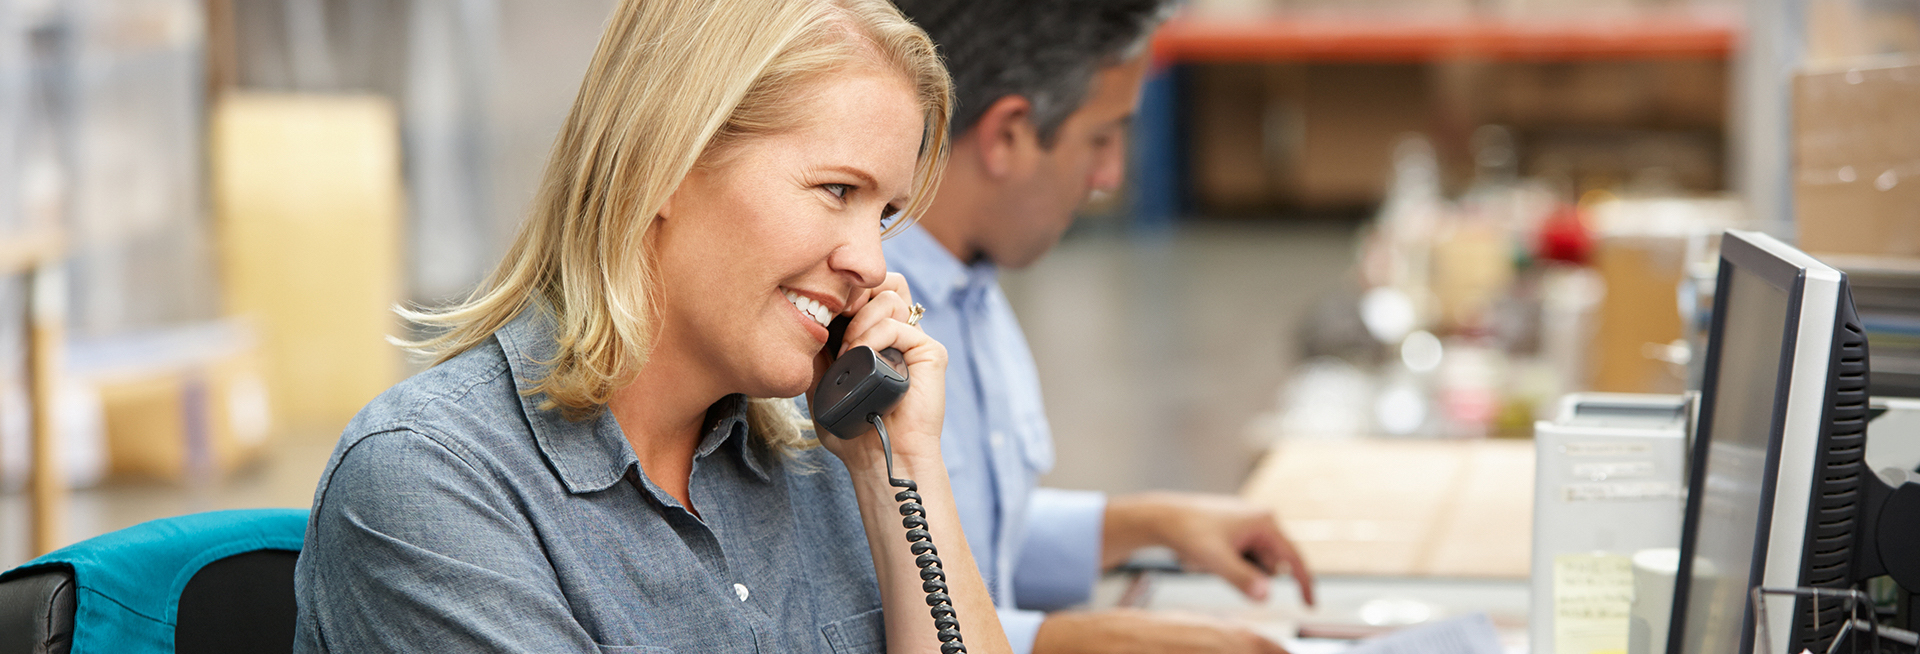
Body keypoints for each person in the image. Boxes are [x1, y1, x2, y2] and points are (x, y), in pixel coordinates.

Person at [291, 1, 1012, 652]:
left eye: (883, 214)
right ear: (664, 161)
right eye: (837, 190)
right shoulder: (434, 481)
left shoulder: (828, 461)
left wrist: (900, 468)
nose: (871, 263)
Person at [879, 2, 1316, 652]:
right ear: (1007, 135)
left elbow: (964, 537)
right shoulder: (858, 331)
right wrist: (1091, 640)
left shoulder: (975, 291)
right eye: (1101, 138)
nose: (1110, 177)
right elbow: (861, 599)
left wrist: (1152, 523)